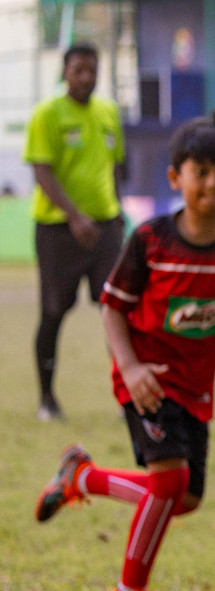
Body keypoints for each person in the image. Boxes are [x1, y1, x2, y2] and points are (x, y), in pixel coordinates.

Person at [32, 113, 215, 591]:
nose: (212, 182)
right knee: (170, 481)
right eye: (200, 170)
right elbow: (113, 307)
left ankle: (83, 477)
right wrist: (131, 366)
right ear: (175, 178)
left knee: (182, 498)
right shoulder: (150, 240)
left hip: (195, 386)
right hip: (143, 377)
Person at [25, 42, 127, 422]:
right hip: (57, 231)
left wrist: (117, 212)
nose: (86, 77)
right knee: (53, 311)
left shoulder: (109, 113)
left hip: (105, 230)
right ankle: (47, 398)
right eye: (78, 70)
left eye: (92, 70)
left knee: (117, 310)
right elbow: (41, 170)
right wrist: (73, 216)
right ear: (64, 73)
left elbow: (115, 166)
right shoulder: (47, 114)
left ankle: (126, 397)